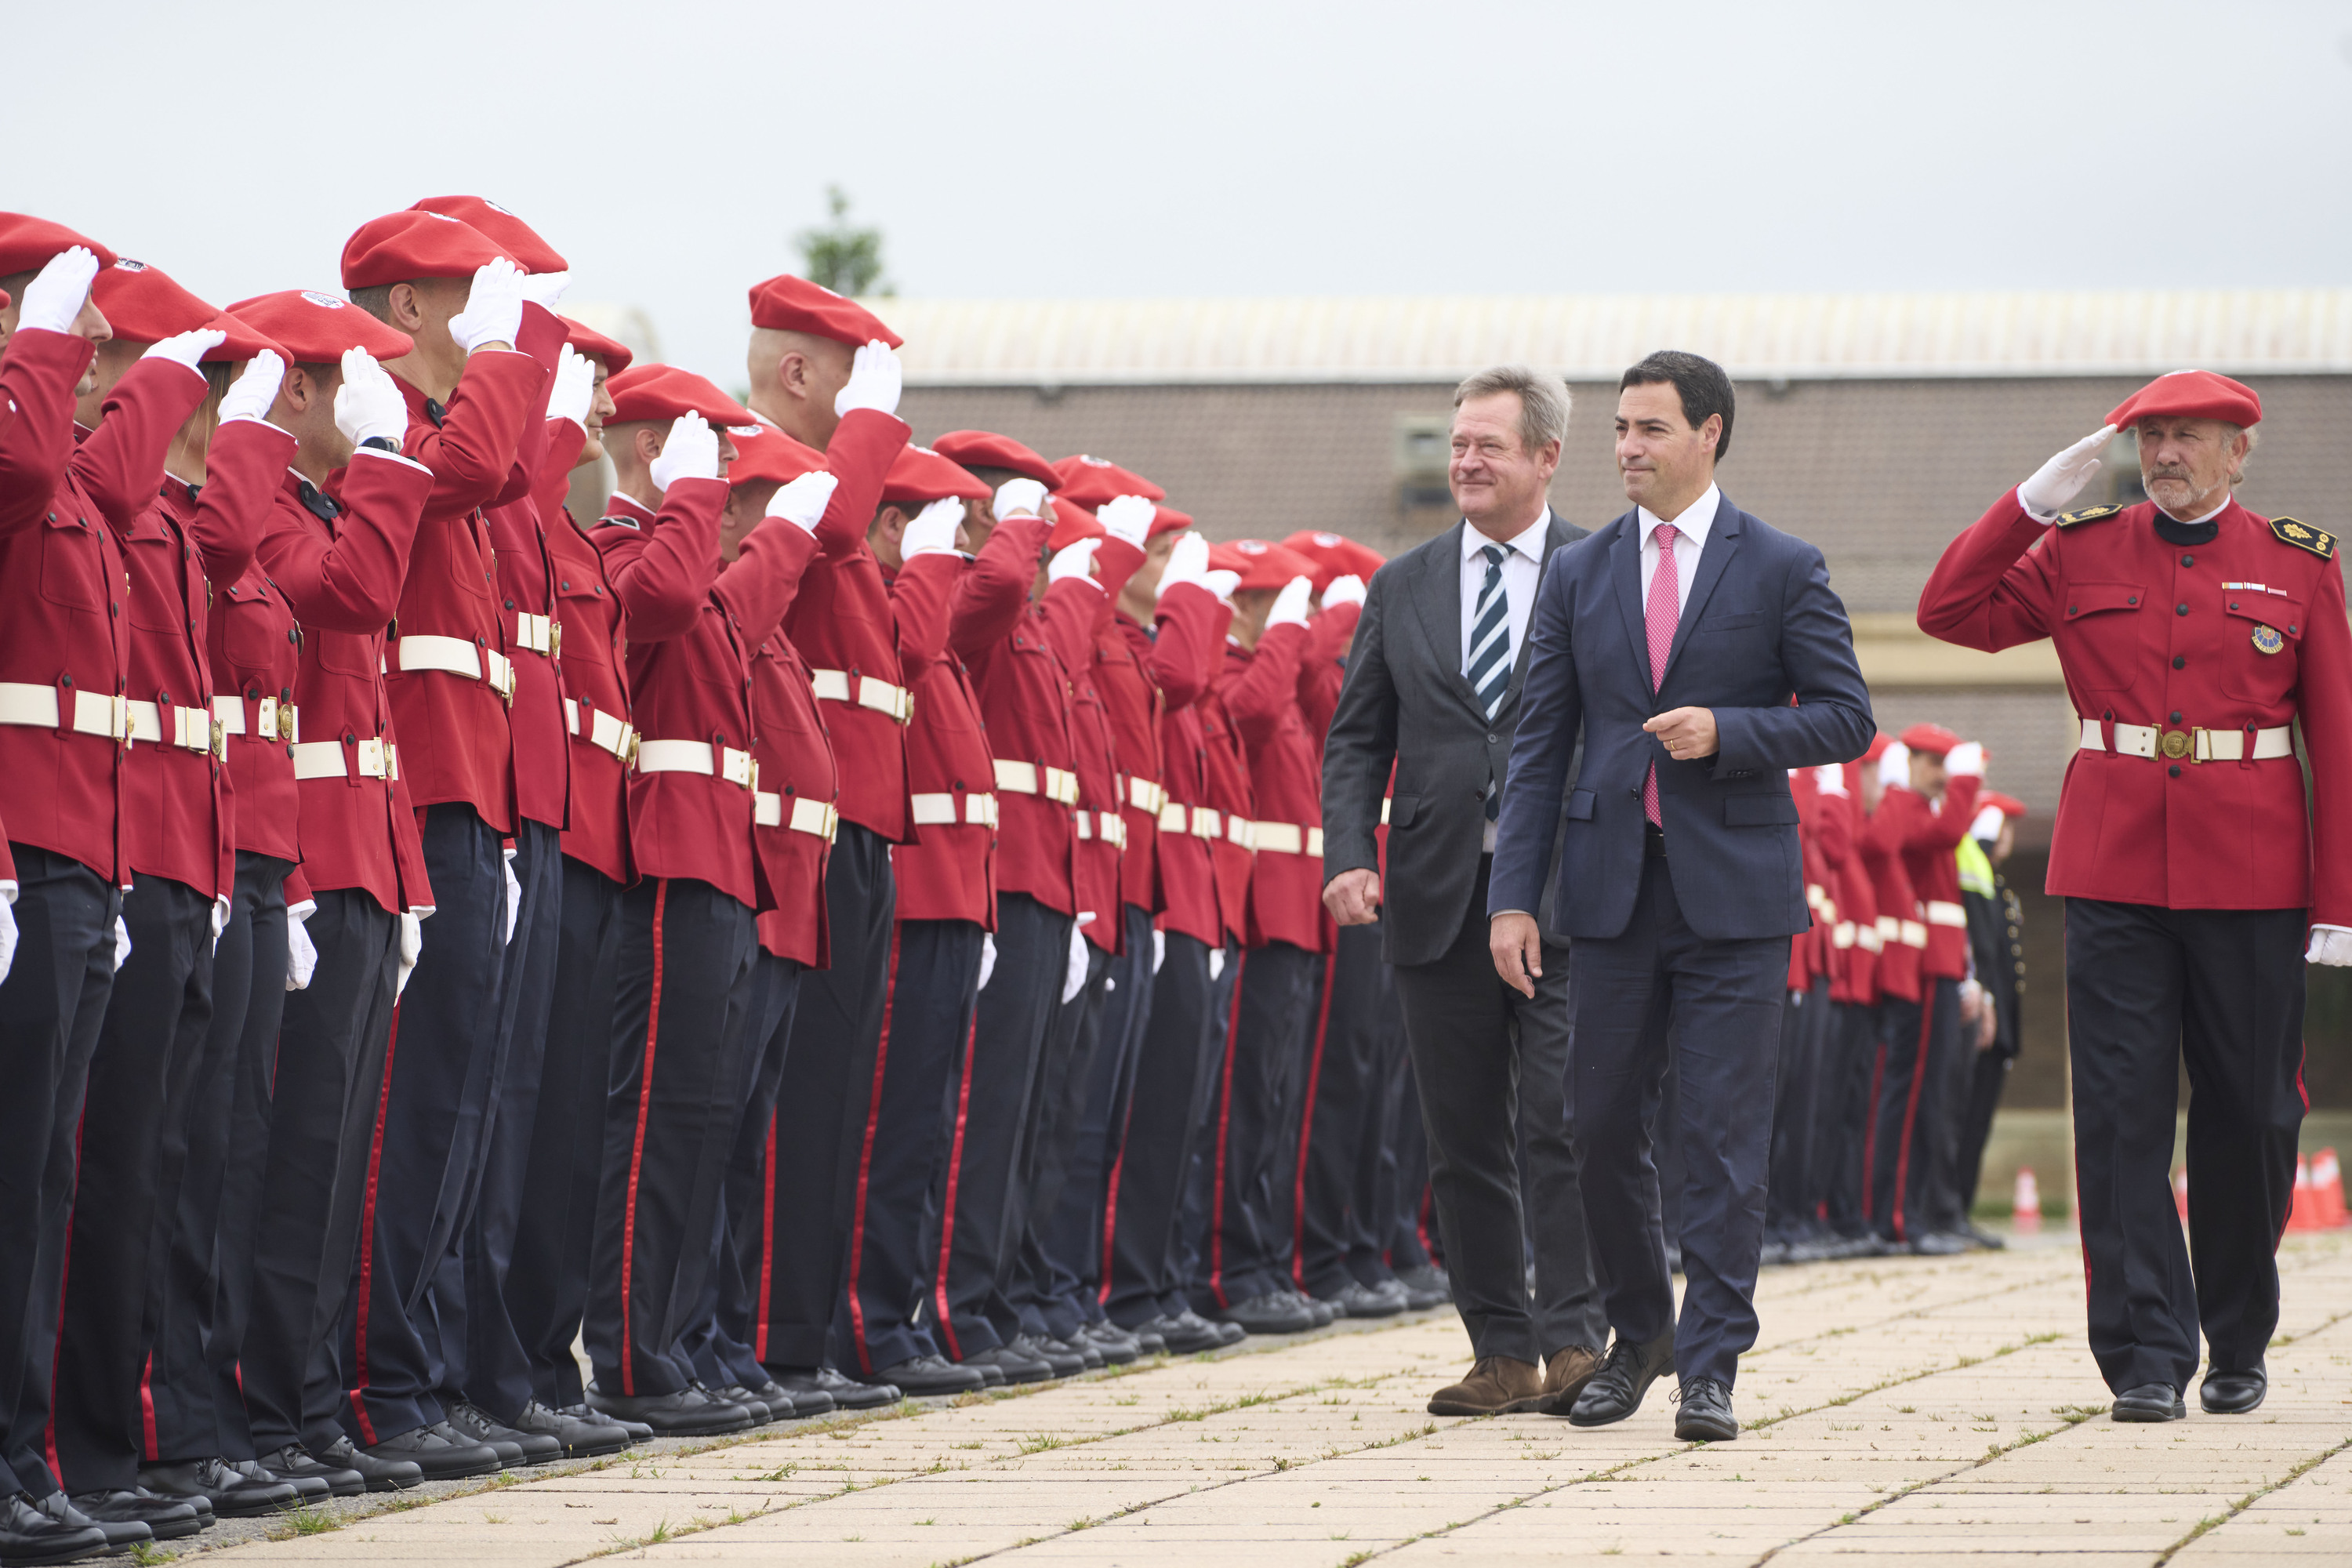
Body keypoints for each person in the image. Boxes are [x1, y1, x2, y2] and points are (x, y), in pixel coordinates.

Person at [1916, 369, 2352, 1422]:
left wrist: (2336, 901)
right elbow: (1948, 611)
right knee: (2119, 1117)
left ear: (2238, 453)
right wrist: (2025, 507)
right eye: (2152, 438)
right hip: (2113, 870)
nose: (2166, 455)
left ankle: (2238, 1335)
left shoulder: (2296, 564)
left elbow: (2337, 745)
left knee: (2252, 1112)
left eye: (2190, 438)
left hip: (2250, 873)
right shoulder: (2077, 548)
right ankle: (2145, 1352)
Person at [1487, 349, 1872, 1442]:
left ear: (1710, 434)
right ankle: (1641, 1335)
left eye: (1650, 429)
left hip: (1735, 901)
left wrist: (1732, 732)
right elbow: (1539, 743)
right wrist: (1513, 897)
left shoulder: (1782, 567)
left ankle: (1711, 1366)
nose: (1627, 449)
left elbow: (1847, 717)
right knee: (1596, 1125)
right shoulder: (1581, 571)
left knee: (1721, 1138)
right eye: (1619, 429)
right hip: (1609, 896)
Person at [1322, 364, 1607, 1417]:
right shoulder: (1401, 585)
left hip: (1569, 895)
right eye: (1457, 446)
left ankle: (1578, 1337)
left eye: (1488, 445)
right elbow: (1357, 739)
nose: (1466, 463)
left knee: (1561, 1116)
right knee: (1463, 1135)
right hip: (1435, 895)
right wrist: (1349, 851)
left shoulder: (1601, 567)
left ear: (1545, 456)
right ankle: (1501, 1347)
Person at [1953, 790, 2026, 1246]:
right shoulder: (1976, 870)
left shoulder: (1996, 884)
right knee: (1964, 1119)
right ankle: (1953, 1209)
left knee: (1977, 1123)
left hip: (1997, 1025)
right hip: (1981, 1019)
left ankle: (1961, 1208)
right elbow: (1984, 951)